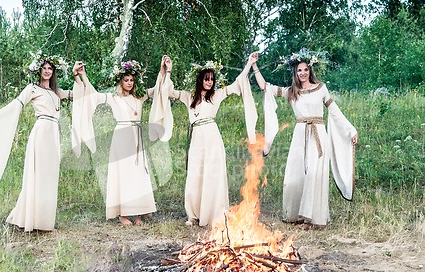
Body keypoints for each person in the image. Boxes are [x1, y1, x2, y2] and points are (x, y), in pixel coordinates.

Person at [0, 51, 84, 232]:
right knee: (38, 175)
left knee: (49, 176)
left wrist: (76, 75)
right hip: (41, 133)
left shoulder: (56, 92)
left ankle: (43, 220)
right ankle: (28, 218)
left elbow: (79, 95)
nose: (47, 71)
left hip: (53, 135)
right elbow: (14, 106)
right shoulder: (33, 89)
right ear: (39, 70)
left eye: (50, 68)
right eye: (44, 68)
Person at [253, 49, 358, 229]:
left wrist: (350, 130)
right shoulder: (292, 92)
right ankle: (295, 214)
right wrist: (254, 65)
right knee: (294, 176)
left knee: (314, 175)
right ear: (295, 72)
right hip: (300, 134)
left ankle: (311, 219)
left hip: (318, 135)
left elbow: (335, 111)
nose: (302, 73)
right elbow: (265, 87)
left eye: (305, 70)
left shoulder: (321, 88)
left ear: (310, 70)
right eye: (299, 70)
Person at [160, 53, 259, 227]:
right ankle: (194, 215)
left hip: (212, 137)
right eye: (206, 79)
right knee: (195, 174)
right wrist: (168, 70)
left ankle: (214, 213)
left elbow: (238, 83)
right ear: (200, 80)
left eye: (212, 79)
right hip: (197, 138)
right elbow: (167, 91)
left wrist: (250, 63)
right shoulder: (188, 96)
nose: (210, 82)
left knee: (212, 173)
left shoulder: (217, 95)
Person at [72, 59, 168, 226]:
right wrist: (82, 75)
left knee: (138, 174)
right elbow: (93, 95)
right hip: (122, 137)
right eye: (126, 80)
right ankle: (122, 214)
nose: (129, 83)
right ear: (120, 81)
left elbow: (157, 88)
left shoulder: (139, 97)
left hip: (136, 137)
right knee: (124, 175)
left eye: (132, 80)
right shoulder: (113, 98)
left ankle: (137, 213)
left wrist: (163, 70)